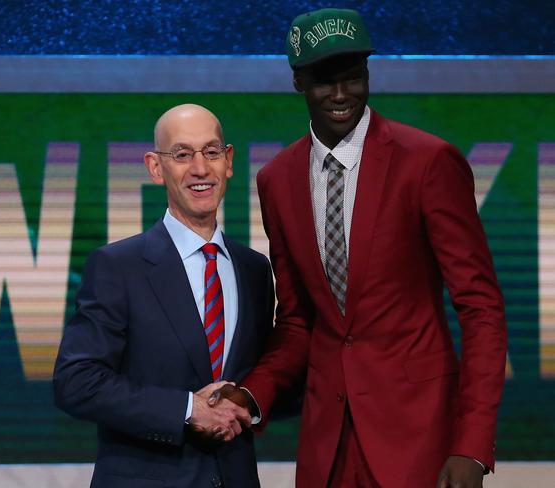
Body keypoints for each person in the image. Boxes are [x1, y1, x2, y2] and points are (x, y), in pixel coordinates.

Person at [211, 8, 507, 488]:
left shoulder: (428, 163)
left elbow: (481, 309)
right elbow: (298, 322)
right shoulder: (277, 181)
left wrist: (472, 445)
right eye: (326, 81)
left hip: (420, 439)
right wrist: (250, 394)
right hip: (327, 447)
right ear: (298, 82)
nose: (342, 94)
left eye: (354, 77)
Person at [53, 103, 273, 488]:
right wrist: (187, 409)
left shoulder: (254, 269)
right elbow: (76, 381)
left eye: (211, 152)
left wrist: (248, 402)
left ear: (229, 160)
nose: (201, 169)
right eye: (183, 155)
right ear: (156, 167)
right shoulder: (117, 266)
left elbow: (266, 375)